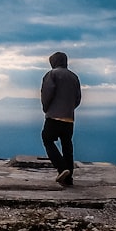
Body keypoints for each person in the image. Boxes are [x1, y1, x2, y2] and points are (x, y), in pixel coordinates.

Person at [40, 51, 81, 186]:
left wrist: (46, 108)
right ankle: (68, 179)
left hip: (54, 116)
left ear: (54, 62)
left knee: (47, 139)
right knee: (67, 146)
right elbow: (77, 98)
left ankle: (62, 168)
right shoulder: (74, 77)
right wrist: (69, 108)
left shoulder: (52, 74)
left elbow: (47, 94)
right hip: (69, 117)